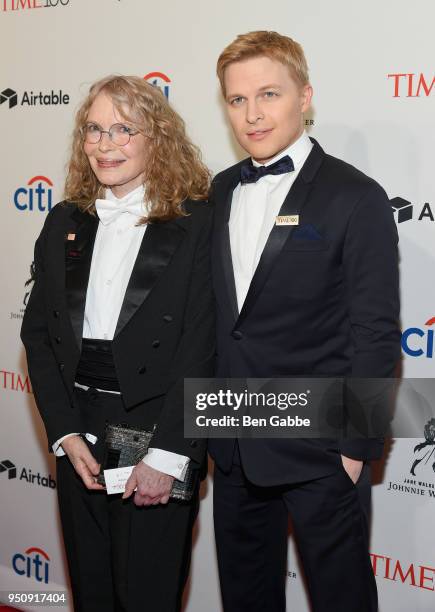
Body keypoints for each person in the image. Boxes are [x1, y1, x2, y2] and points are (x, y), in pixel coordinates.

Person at [208, 31, 400, 612]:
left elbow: (377, 333)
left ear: (305, 96)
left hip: (321, 449)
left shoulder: (355, 196)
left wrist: (353, 450)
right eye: (237, 100)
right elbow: (224, 324)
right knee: (246, 598)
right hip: (233, 441)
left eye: (269, 94)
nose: (253, 113)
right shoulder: (219, 190)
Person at [21, 75, 214, 612]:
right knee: (92, 591)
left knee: (148, 595)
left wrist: (170, 453)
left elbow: (203, 347)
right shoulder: (65, 219)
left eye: (124, 129)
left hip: (156, 432)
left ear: (158, 137)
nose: (105, 145)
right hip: (79, 433)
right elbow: (37, 335)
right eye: (94, 130)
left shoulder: (197, 222)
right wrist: (61, 431)